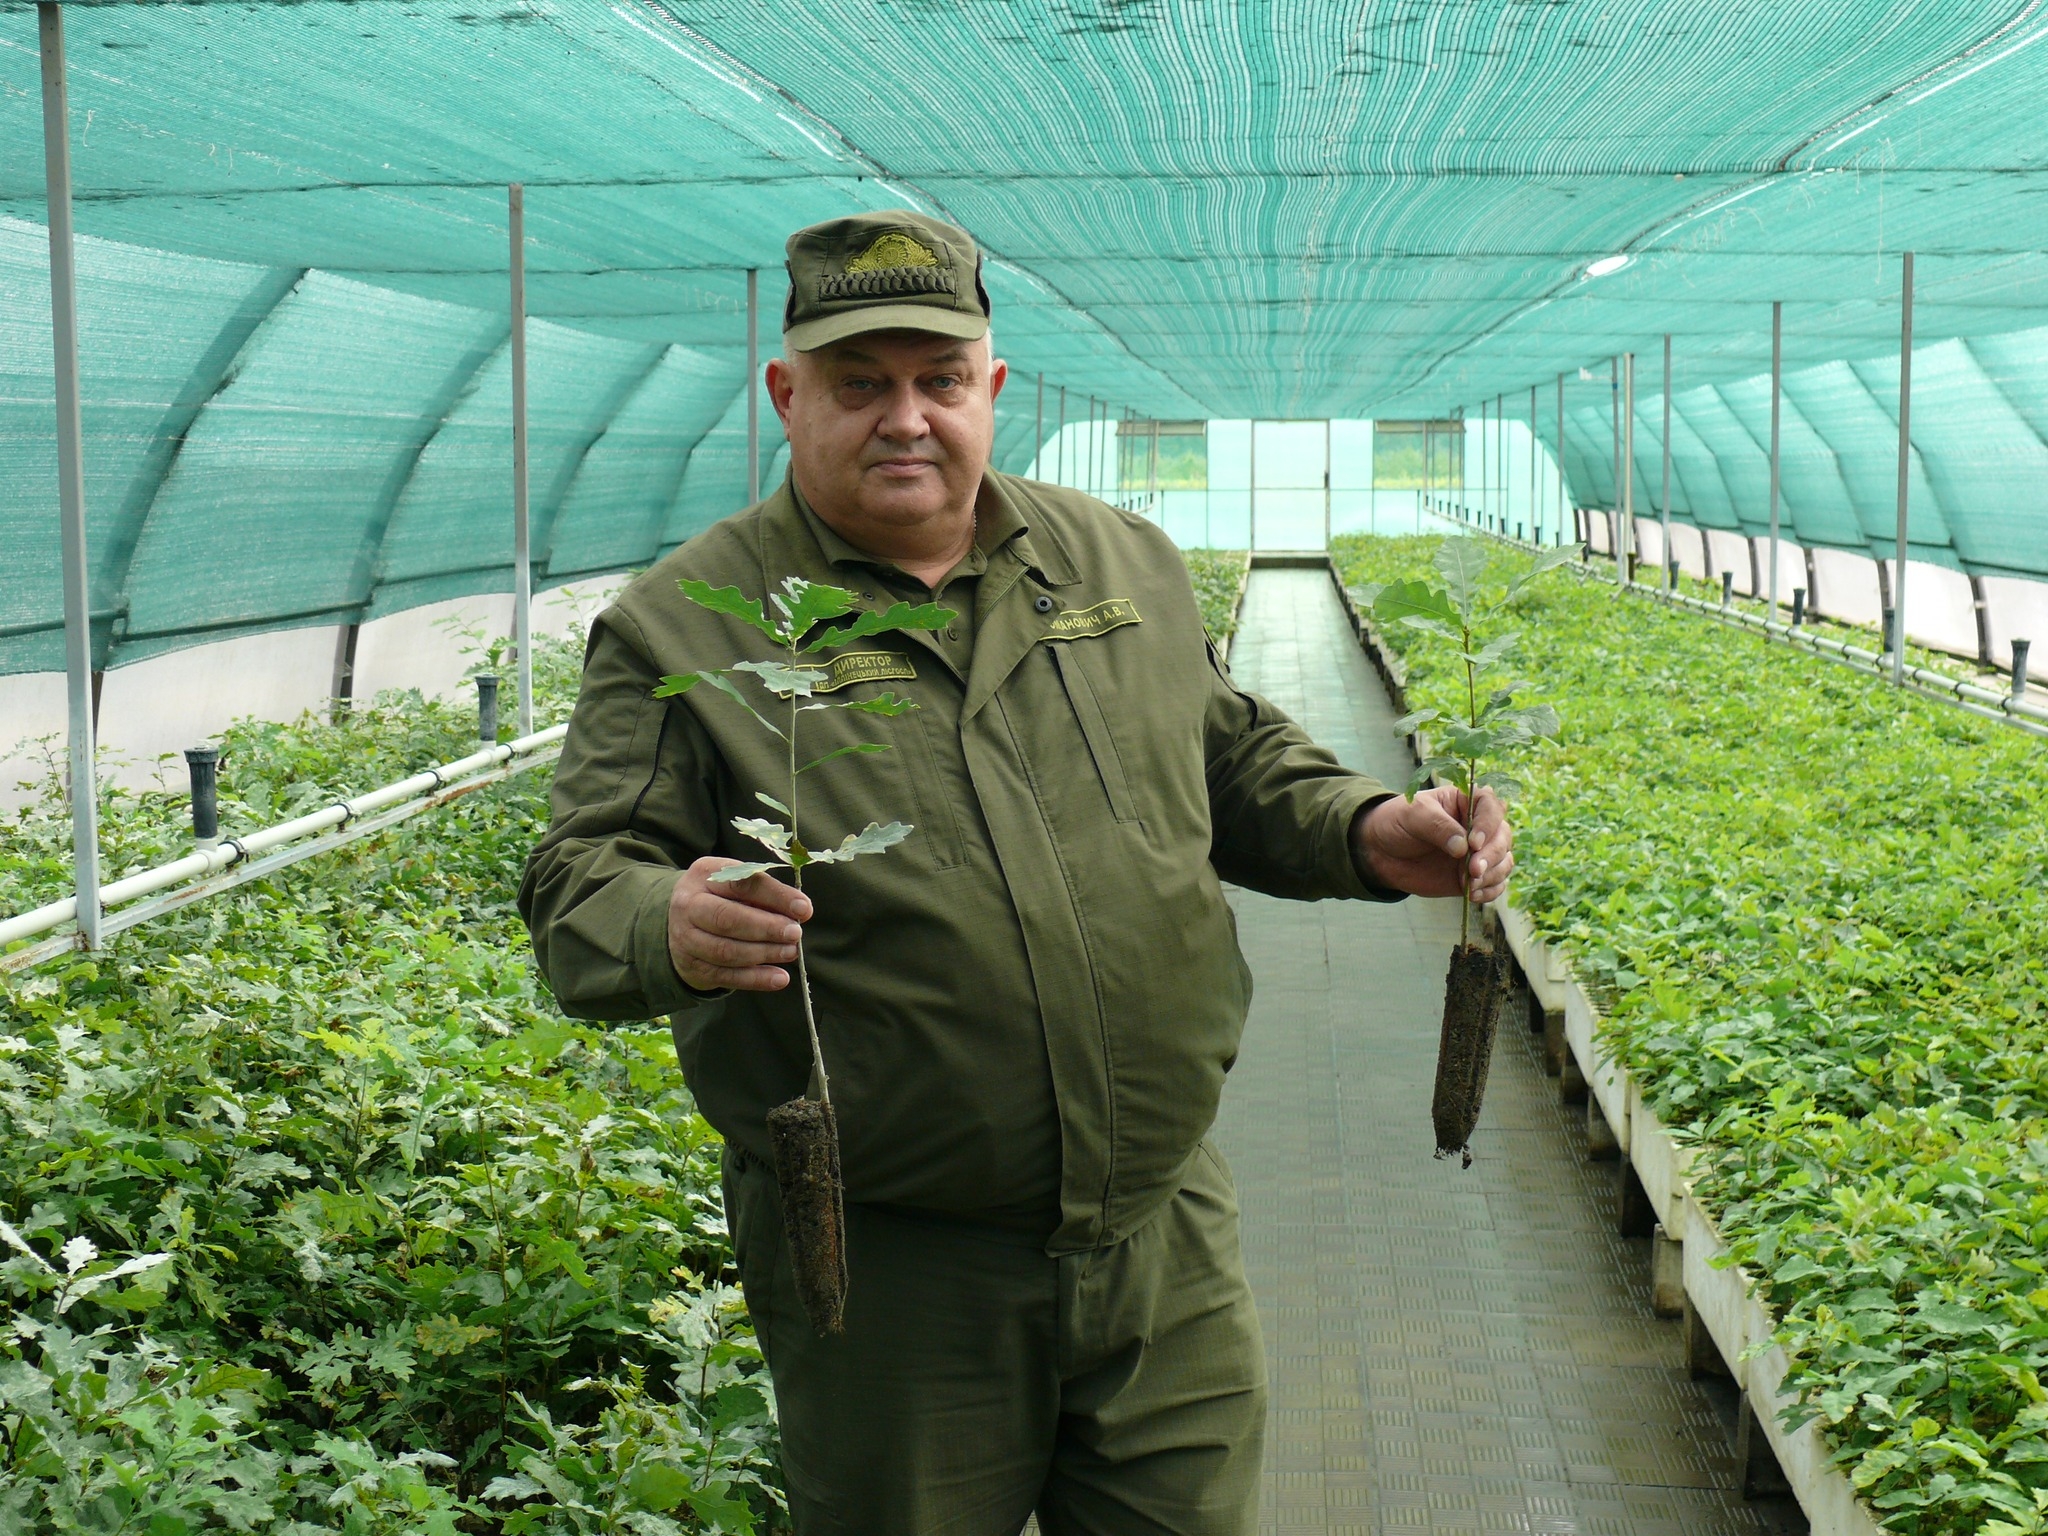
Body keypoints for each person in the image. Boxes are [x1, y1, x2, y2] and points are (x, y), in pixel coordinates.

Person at [520, 210, 1514, 1536]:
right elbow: (580, 879)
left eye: (939, 381)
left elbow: (1225, 759)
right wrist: (672, 923)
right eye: (858, 384)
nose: (906, 419)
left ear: (993, 389)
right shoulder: (688, 622)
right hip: (896, 1277)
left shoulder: (1118, 561)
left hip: (1163, 1237)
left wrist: (1359, 827)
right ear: (786, 395)